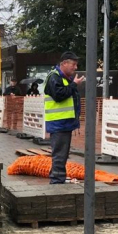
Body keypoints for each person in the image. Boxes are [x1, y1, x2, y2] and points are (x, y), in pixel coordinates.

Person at [43, 51, 85, 184]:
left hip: (63, 123)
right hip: (58, 123)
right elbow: (59, 95)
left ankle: (57, 177)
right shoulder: (54, 77)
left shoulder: (62, 78)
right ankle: (57, 181)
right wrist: (74, 85)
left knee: (62, 153)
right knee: (60, 154)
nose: (75, 67)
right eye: (73, 64)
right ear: (64, 63)